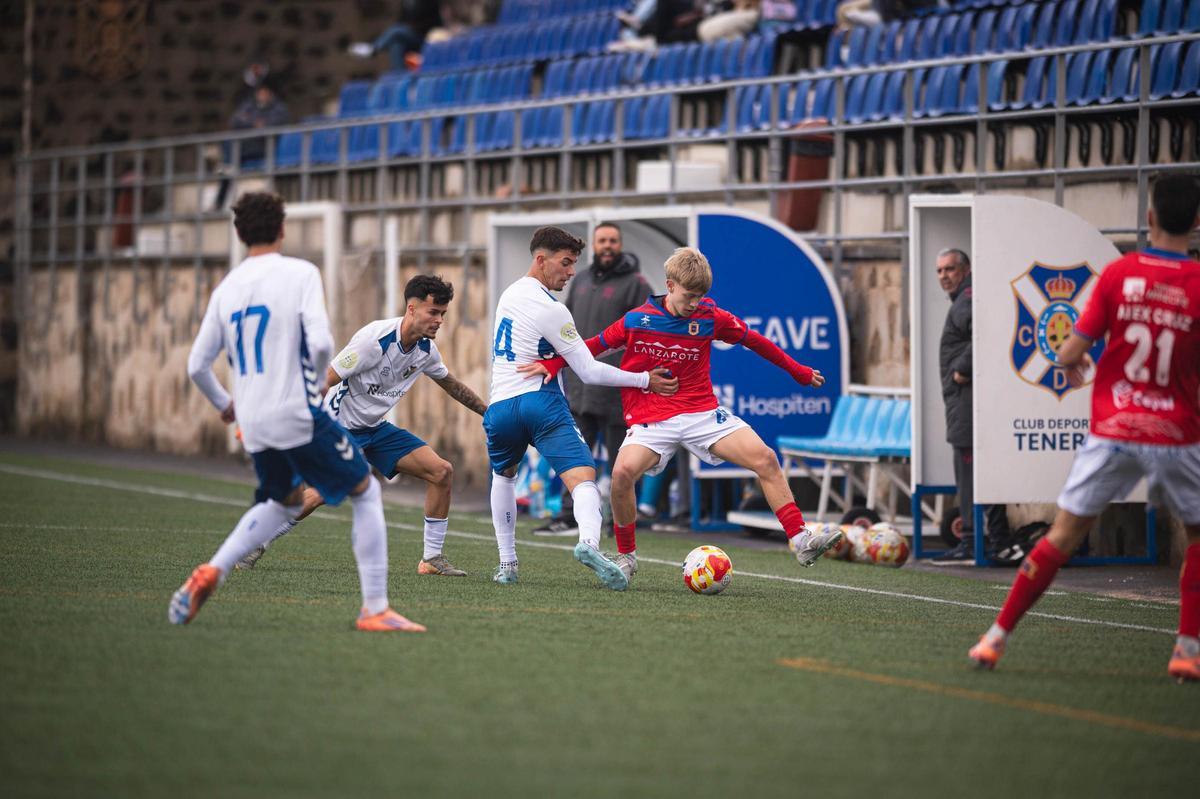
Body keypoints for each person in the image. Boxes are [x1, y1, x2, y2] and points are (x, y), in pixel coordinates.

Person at [967, 173, 1200, 683]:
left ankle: (995, 638)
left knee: (1063, 535)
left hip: (1115, 428)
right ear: (1197, 222)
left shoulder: (1121, 274)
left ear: (1150, 218)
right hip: (1178, 433)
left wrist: (1074, 362)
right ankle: (1186, 648)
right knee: (1197, 537)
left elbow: (1069, 350)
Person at [171, 192, 423, 632]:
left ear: (238, 233)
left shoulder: (226, 288)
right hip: (294, 409)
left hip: (252, 419)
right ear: (283, 229)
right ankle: (375, 608)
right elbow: (323, 342)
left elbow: (196, 365)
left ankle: (214, 568)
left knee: (283, 500)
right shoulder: (300, 273)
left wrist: (226, 406)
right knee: (365, 491)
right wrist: (309, 387)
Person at [527, 247, 842, 583]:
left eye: (700, 296)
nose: (694, 303)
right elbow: (592, 346)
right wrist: (553, 363)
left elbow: (756, 341)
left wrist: (798, 372)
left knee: (765, 458)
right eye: (689, 296)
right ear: (670, 285)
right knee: (621, 476)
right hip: (652, 418)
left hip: (701, 413)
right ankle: (626, 558)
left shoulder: (710, 316)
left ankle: (801, 539)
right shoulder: (638, 320)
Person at [233, 274, 487, 577]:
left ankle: (431, 559)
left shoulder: (425, 351)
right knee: (322, 492)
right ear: (411, 309)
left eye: (443, 314)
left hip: (375, 430)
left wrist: (487, 411)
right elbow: (325, 380)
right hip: (337, 428)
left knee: (441, 471)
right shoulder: (373, 341)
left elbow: (450, 383)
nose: (439, 320)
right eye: (433, 312)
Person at [484, 226, 678, 589]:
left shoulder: (509, 294)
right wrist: (644, 380)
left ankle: (507, 564)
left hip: (499, 406)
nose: (571, 271)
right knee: (584, 479)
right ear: (541, 260)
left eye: (574, 264)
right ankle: (589, 543)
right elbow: (588, 369)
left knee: (503, 477)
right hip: (540, 403)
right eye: (566, 263)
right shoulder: (552, 309)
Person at [533, 222, 652, 537]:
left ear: (621, 244)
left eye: (613, 240)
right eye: (602, 241)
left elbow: (641, 333)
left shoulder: (636, 283)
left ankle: (620, 521)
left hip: (616, 389)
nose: (608, 246)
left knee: (620, 463)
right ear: (595, 245)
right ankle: (568, 516)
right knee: (574, 453)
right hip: (581, 387)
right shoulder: (582, 279)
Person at [931, 247, 1011, 563]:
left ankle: (972, 539)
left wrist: (962, 370)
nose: (943, 276)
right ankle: (994, 537)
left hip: (966, 401)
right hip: (964, 400)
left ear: (964, 270)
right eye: (939, 271)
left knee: (969, 470)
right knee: (976, 469)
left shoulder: (967, 299)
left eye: (949, 269)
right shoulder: (965, 298)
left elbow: (984, 334)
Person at [214, 83, 290, 210]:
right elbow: (235, 121)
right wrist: (255, 124)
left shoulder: (278, 108)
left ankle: (227, 165)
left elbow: (272, 125)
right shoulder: (250, 105)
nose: (262, 95)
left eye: (265, 92)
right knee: (229, 146)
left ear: (270, 93)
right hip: (246, 147)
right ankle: (219, 202)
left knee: (230, 158)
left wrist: (251, 123)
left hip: (265, 147)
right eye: (260, 93)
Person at [348, 0, 445, 72]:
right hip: (408, 37)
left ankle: (373, 49)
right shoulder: (406, 3)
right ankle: (400, 75)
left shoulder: (430, 2)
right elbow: (401, 20)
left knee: (396, 31)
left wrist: (411, 28)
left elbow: (433, 22)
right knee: (396, 44)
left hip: (425, 37)